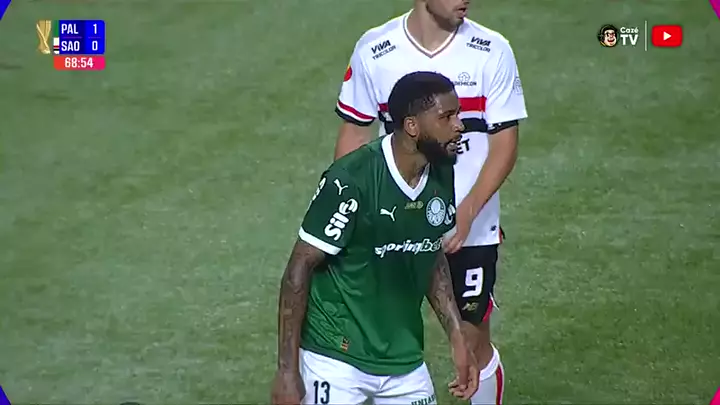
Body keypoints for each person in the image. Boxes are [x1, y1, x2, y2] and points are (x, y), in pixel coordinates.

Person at [333, 1, 528, 403]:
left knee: (471, 342)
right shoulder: (376, 49)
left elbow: (505, 144)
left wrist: (467, 212)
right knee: (373, 340)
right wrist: (350, 213)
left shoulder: (492, 50)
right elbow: (355, 134)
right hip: (391, 227)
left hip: (469, 231)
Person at [270, 71, 478, 405]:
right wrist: (287, 371)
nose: (460, 126)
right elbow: (299, 268)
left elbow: (429, 250)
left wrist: (456, 333)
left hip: (403, 357)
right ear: (412, 126)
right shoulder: (351, 180)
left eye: (458, 114)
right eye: (447, 117)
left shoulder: (441, 171)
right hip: (335, 356)